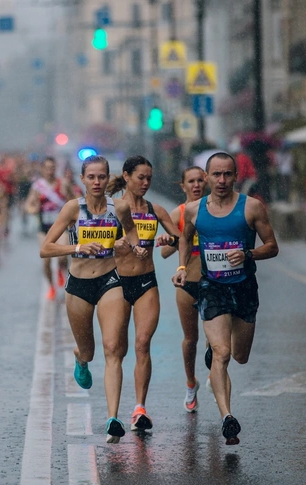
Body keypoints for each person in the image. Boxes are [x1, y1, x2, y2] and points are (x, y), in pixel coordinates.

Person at [172, 152, 278, 445]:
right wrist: (182, 268)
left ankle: (222, 353)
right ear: (206, 177)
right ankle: (227, 417)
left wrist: (248, 254)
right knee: (221, 353)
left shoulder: (252, 207)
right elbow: (185, 237)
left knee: (240, 356)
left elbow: (272, 246)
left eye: (227, 174)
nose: (221, 180)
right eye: (216, 175)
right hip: (212, 287)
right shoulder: (194, 210)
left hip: (244, 288)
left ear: (235, 176)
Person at [40, 155, 147, 444]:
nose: (97, 182)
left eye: (102, 177)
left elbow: (133, 232)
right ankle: (81, 358)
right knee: (89, 351)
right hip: (78, 286)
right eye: (91, 177)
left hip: (110, 280)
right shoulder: (73, 209)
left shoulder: (120, 207)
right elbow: (45, 249)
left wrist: (136, 248)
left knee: (113, 348)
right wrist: (78, 246)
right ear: (82, 180)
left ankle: (113, 417)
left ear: (107, 178)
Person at [106, 155, 180, 432]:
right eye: (141, 177)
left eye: (149, 178)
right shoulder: (111, 209)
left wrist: (166, 239)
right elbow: (95, 243)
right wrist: (117, 244)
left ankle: (139, 409)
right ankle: (84, 356)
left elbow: (177, 237)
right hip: (116, 283)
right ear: (126, 176)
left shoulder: (155, 210)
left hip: (146, 282)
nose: (146, 183)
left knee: (142, 344)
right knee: (117, 348)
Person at [161, 166, 208, 413]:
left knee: (217, 339)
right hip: (187, 282)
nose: (197, 185)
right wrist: (180, 237)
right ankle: (191, 384)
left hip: (214, 281)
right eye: (191, 181)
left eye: (201, 180)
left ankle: (215, 372)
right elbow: (165, 251)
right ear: (183, 186)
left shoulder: (216, 210)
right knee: (191, 339)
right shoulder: (178, 212)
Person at [25, 157, 68, 300]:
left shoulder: (63, 184)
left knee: (62, 256)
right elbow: (28, 206)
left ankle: (62, 271)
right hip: (44, 228)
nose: (50, 170)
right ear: (42, 169)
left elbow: (74, 200)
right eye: (47, 168)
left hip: (61, 226)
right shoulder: (37, 187)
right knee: (46, 260)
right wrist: (34, 209)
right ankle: (51, 286)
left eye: (52, 167)